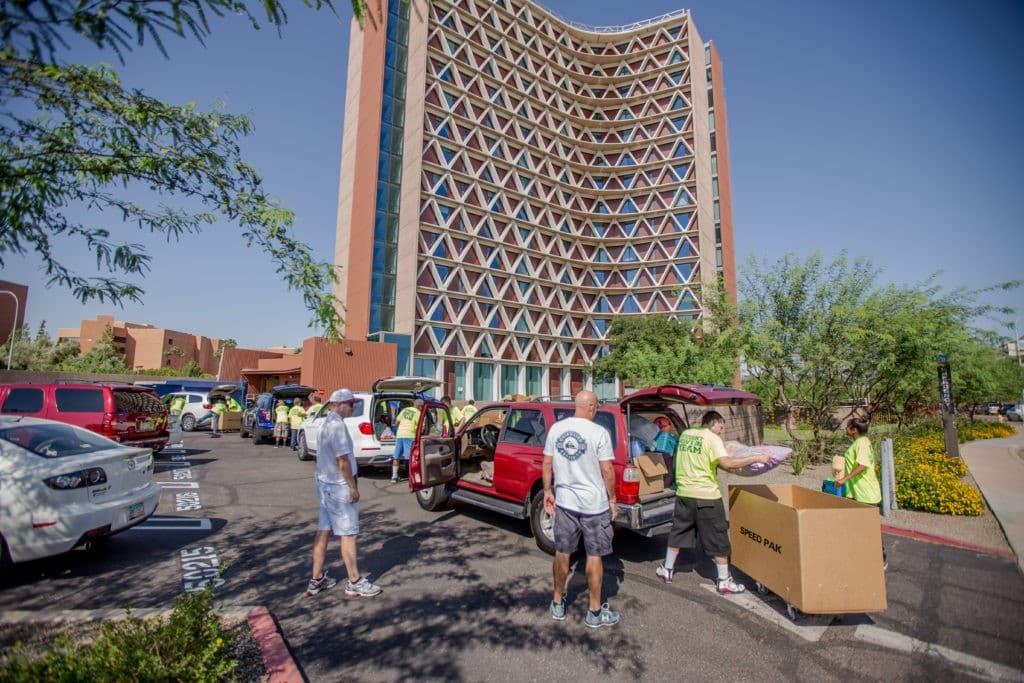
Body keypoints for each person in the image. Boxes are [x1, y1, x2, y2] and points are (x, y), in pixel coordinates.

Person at [656, 411, 772, 594]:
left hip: (684, 494)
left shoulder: (686, 434)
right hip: (707, 497)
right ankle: (724, 580)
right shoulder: (712, 439)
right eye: (721, 426)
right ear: (715, 422)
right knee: (718, 538)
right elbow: (727, 464)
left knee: (679, 530)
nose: (722, 430)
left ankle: (666, 569)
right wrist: (757, 458)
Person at [543, 390, 619, 628]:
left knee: (562, 552)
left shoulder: (556, 429)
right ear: (592, 407)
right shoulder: (599, 433)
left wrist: (548, 491)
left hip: (565, 503)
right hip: (593, 506)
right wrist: (613, 499)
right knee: (594, 555)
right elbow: (607, 470)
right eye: (595, 406)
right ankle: (595, 612)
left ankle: (557, 603)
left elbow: (547, 462)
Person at [306, 388, 382, 598]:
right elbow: (342, 461)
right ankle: (354, 581)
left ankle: (317, 578)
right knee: (348, 534)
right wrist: (352, 487)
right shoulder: (337, 427)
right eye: (351, 404)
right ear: (338, 404)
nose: (353, 407)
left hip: (325, 484)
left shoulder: (325, 424)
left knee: (324, 531)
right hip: (339, 486)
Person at [834, 418, 886, 568]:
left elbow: (862, 465)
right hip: (858, 492)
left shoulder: (862, 443)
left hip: (865, 492)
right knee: (860, 527)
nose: (845, 428)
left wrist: (844, 479)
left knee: (869, 529)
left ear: (854, 429)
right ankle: (864, 557)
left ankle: (880, 559)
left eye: (847, 426)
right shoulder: (861, 442)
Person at [392, 398, 423, 483]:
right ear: (420, 407)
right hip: (410, 435)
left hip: (400, 434)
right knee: (410, 458)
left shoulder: (405, 410)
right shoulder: (418, 413)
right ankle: (411, 476)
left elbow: (396, 422)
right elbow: (421, 427)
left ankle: (394, 477)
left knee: (396, 456)